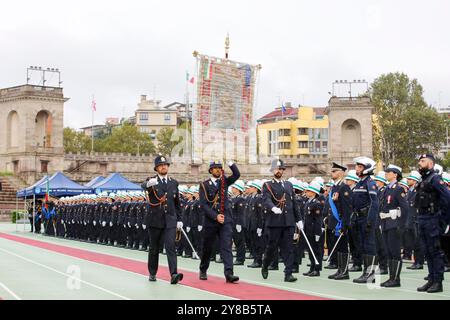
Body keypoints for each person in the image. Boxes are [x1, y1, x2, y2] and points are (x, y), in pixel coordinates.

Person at [141, 154, 184, 285]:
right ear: (156, 168)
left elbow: (177, 203)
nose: (163, 167)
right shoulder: (152, 181)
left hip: (170, 220)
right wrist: (148, 184)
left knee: (171, 247)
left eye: (165, 165)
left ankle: (174, 274)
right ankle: (152, 273)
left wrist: (179, 219)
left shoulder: (173, 183)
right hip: (155, 220)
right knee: (154, 248)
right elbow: (143, 186)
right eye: (160, 165)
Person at [198, 160, 240, 283]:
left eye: (219, 168)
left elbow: (236, 175)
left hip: (225, 219)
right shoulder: (204, 185)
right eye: (215, 168)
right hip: (211, 221)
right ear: (210, 170)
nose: (217, 170)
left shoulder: (224, 182)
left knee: (226, 246)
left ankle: (229, 273)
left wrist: (231, 164)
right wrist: (215, 216)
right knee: (207, 248)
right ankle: (203, 269)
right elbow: (204, 205)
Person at [261, 159, 302, 282]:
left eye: (281, 169)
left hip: (288, 222)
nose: (279, 171)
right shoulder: (268, 184)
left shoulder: (289, 185)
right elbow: (266, 199)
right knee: (272, 247)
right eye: (277, 169)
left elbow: (294, 203)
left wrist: (299, 219)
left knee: (289, 248)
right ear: (273, 170)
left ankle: (288, 273)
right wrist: (273, 207)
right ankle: (265, 264)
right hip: (275, 222)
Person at [415, 154, 450, 293]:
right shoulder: (424, 179)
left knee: (435, 251)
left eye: (423, 161)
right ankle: (431, 279)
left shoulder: (435, 179)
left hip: (432, 219)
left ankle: (438, 282)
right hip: (423, 218)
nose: (420, 163)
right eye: (419, 161)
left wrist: (444, 221)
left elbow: (447, 199)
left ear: (430, 164)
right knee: (427, 251)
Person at [379, 165, 409, 287]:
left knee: (395, 252)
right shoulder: (387, 189)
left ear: (395, 174)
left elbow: (405, 208)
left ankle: (396, 279)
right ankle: (391, 277)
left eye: (388, 172)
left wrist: (401, 225)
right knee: (389, 252)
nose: (386, 174)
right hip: (386, 223)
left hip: (394, 224)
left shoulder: (398, 189)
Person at [352, 156, 380, 284]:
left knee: (369, 246)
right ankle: (365, 272)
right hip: (359, 218)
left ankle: (371, 274)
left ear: (367, 169)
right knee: (363, 246)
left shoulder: (370, 183)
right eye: (357, 166)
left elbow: (374, 203)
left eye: (360, 167)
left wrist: (370, 220)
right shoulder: (360, 183)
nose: (357, 169)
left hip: (367, 218)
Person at [327, 162, 353, 280]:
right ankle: (339, 269)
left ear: (341, 173)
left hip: (341, 222)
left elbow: (347, 208)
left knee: (342, 246)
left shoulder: (344, 187)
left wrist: (345, 223)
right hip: (334, 222)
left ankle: (344, 271)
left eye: (334, 171)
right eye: (332, 171)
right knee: (336, 247)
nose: (332, 173)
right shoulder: (334, 187)